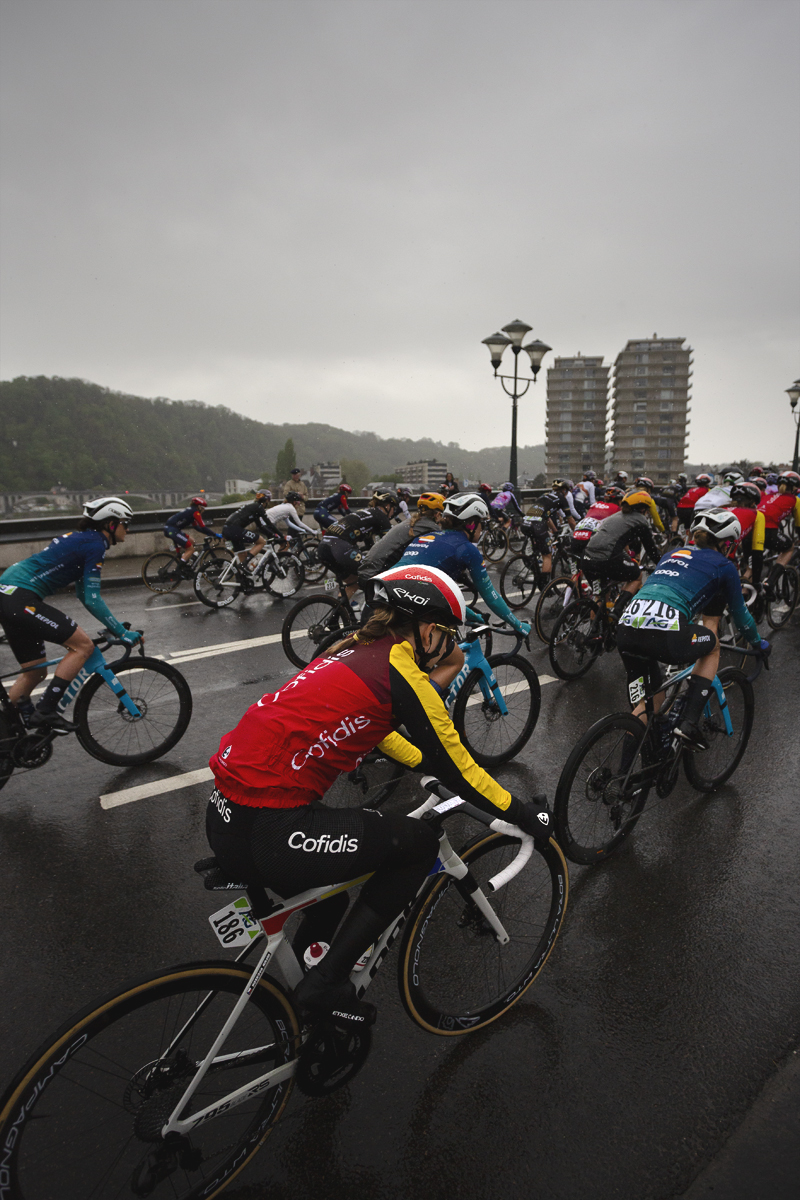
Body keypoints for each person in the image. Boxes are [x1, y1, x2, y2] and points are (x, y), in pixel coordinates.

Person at [205, 563, 552, 1023]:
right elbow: (461, 767)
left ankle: (309, 997)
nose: (449, 643)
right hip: (272, 829)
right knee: (417, 845)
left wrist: (423, 765)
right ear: (428, 630)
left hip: (223, 813)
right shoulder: (401, 670)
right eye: (448, 632)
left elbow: (374, 732)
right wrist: (523, 813)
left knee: (328, 896)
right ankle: (324, 985)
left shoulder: (346, 649)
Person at [616, 509, 769, 750]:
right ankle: (688, 723)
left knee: (650, 703)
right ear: (726, 543)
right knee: (712, 646)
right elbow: (741, 617)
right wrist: (758, 643)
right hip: (665, 635)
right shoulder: (725, 566)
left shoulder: (671, 554)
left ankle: (624, 780)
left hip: (626, 630)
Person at [0, 497, 141, 733]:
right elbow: (92, 598)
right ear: (111, 523)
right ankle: (45, 711)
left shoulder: (83, 539)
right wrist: (121, 632)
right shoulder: (95, 544)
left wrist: (116, 625)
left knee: (34, 671)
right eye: (126, 523)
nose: (128, 528)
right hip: (21, 598)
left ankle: (5, 732)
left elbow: (83, 592)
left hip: (8, 594)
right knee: (82, 647)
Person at [395, 493, 532, 675]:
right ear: (470, 523)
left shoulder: (426, 537)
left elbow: (439, 594)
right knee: (454, 661)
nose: (483, 529)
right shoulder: (466, 549)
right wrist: (517, 625)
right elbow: (491, 597)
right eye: (482, 523)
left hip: (387, 597)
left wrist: (471, 615)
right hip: (411, 609)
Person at [582, 487, 664, 620]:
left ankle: (595, 630)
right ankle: (617, 609)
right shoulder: (640, 521)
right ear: (643, 508)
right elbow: (651, 549)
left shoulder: (616, 516)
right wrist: (662, 566)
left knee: (600, 596)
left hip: (587, 558)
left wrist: (627, 556)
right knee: (637, 576)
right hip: (606, 559)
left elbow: (615, 539)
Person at [316, 491, 399, 600]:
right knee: (375, 577)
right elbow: (390, 545)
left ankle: (340, 611)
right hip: (338, 547)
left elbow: (371, 546)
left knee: (354, 582)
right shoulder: (382, 517)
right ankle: (369, 614)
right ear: (387, 506)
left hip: (323, 547)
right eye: (393, 508)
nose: (393, 512)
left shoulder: (367, 512)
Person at [358, 493, 444, 583]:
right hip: (376, 574)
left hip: (368, 569)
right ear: (437, 514)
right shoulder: (430, 527)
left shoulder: (412, 522)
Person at [757, 470, 800, 576]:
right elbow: (799, 525)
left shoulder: (766, 496)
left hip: (751, 530)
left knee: (752, 565)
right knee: (789, 547)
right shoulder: (795, 499)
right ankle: (771, 582)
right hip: (769, 531)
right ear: (795, 487)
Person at [570, 487, 624, 563]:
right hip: (592, 539)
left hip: (576, 536)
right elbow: (620, 532)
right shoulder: (617, 509)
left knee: (578, 567)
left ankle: (575, 573)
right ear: (619, 500)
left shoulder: (595, 504)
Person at [163, 496, 221, 563]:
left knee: (192, 541)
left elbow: (197, 528)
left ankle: (185, 559)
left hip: (171, 529)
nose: (203, 510)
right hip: (173, 531)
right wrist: (215, 534)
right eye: (203, 508)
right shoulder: (196, 513)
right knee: (191, 549)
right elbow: (203, 526)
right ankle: (180, 567)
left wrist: (208, 533)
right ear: (199, 506)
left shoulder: (190, 511)